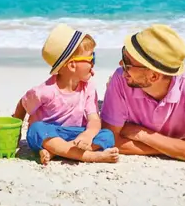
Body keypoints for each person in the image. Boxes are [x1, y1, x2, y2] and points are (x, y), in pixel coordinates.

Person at [100, 24, 185, 163]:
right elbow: (109, 140)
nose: (120, 64)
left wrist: (142, 134)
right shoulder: (121, 79)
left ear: (154, 76)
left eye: (127, 62)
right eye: (123, 54)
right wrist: (175, 147)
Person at [12, 24, 119, 165]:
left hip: (76, 135)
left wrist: (87, 135)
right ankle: (89, 156)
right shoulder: (45, 91)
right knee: (36, 129)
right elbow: (23, 104)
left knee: (107, 135)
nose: (93, 63)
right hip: (51, 133)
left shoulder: (88, 88)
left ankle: (56, 152)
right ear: (72, 65)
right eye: (91, 59)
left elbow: (94, 119)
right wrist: (16, 132)